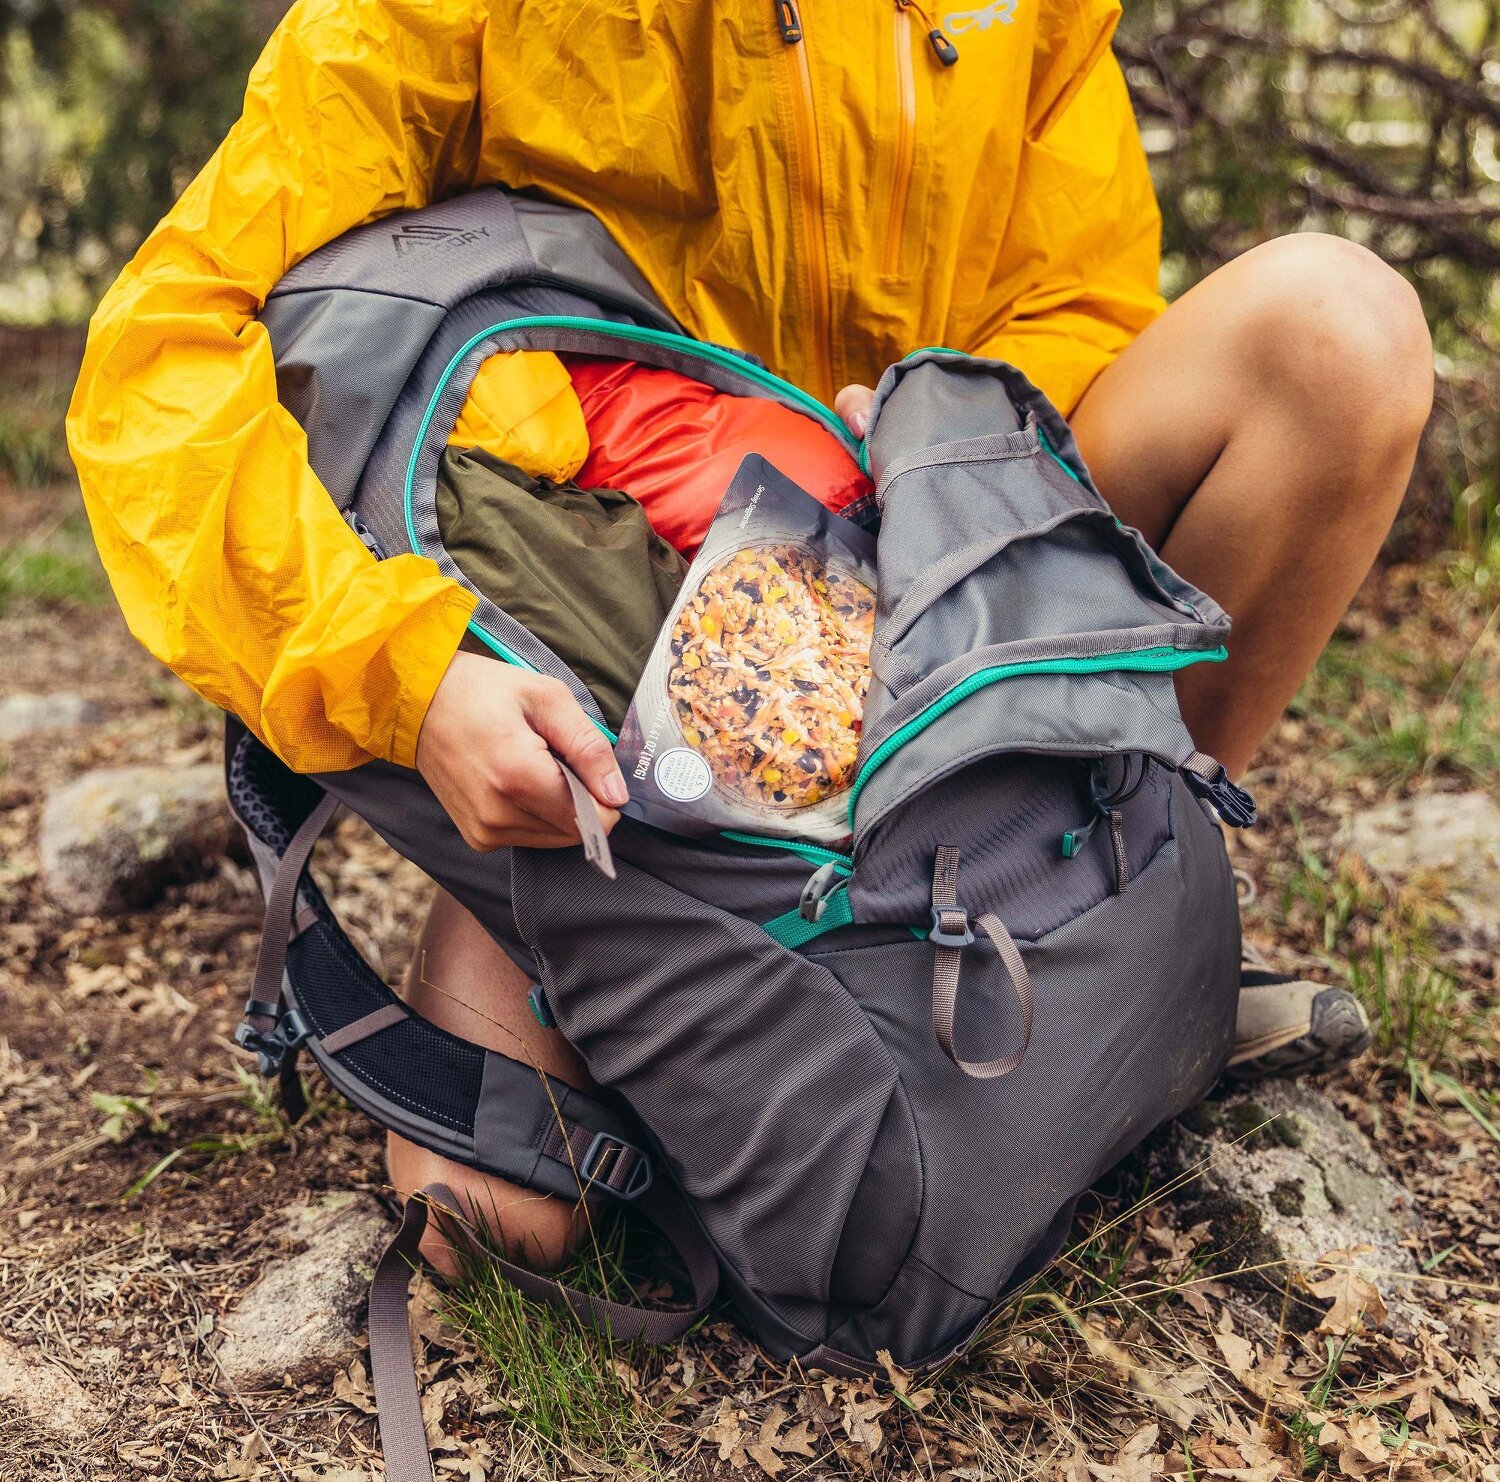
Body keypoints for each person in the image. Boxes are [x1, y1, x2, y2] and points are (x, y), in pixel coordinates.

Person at [67, 1, 1433, 1275]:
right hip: (640, 638)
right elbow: (164, 352)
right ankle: (749, 948)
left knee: (1339, 332)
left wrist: (940, 428)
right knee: (488, 1222)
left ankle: (1126, 901)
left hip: (959, 530)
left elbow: (1078, 295)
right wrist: (407, 680)